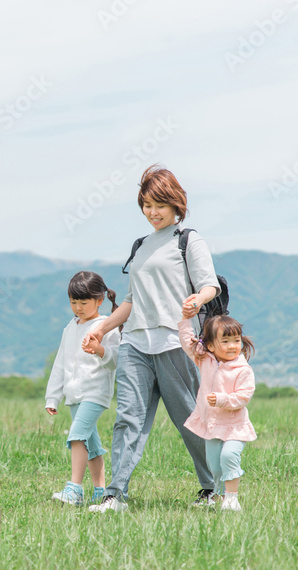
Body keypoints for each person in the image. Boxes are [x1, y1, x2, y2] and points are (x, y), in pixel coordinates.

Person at [84, 165, 221, 513]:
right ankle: (115, 494)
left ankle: (213, 489)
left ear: (176, 204)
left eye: (159, 204)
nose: (152, 212)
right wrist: (101, 327)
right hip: (134, 344)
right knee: (127, 417)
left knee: (190, 419)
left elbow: (209, 284)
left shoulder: (188, 239)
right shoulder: (141, 246)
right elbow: (131, 301)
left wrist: (197, 300)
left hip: (175, 343)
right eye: (146, 205)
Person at [45, 271, 122, 506]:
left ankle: (74, 489)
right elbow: (60, 363)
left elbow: (115, 361)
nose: (78, 308)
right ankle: (100, 491)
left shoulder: (106, 326)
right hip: (73, 394)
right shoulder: (70, 328)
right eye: (73, 302)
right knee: (91, 444)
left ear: (99, 301)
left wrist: (100, 349)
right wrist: (52, 397)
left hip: (95, 393)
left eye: (83, 302)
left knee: (76, 436)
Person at [178, 314, 257, 511]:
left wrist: (222, 400)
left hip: (234, 425)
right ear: (211, 345)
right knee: (214, 465)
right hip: (212, 425)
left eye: (236, 340)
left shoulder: (243, 369)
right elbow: (188, 344)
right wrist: (185, 320)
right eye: (226, 341)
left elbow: (243, 397)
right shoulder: (205, 360)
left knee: (229, 456)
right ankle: (221, 498)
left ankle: (232, 498)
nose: (232, 346)